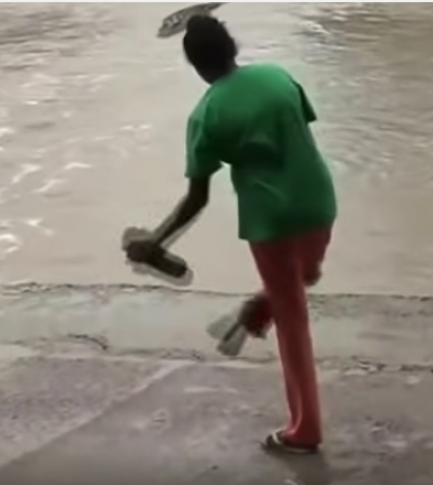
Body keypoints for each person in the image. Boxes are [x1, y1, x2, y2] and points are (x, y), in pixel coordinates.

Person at [125, 14, 337, 454]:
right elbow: (302, 128)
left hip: (270, 222)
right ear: (233, 47)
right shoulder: (279, 77)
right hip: (319, 202)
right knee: (307, 276)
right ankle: (259, 310)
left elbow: (196, 200)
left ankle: (305, 429)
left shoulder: (206, 114)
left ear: (196, 65)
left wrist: (156, 244)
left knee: (292, 320)